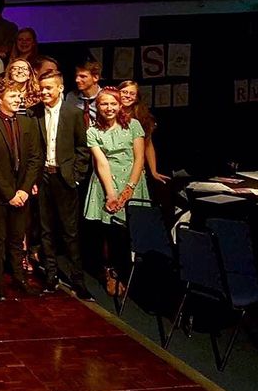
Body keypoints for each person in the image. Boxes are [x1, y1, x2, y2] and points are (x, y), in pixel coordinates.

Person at [30, 70, 92, 298]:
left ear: (60, 88)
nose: (44, 92)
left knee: (70, 231)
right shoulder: (34, 113)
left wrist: (76, 176)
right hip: (43, 177)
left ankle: (78, 280)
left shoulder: (73, 113)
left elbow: (82, 147)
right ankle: (51, 276)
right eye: (42, 88)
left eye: (49, 88)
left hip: (65, 178)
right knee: (45, 229)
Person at [83, 88, 149, 294]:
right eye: (104, 104)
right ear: (98, 107)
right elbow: (101, 163)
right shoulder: (93, 131)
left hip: (132, 180)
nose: (109, 108)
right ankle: (111, 272)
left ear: (120, 105)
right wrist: (111, 194)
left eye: (113, 103)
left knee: (131, 231)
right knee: (111, 232)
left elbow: (139, 158)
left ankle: (133, 276)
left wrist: (129, 190)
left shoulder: (133, 125)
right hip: (106, 183)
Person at [0, 80, 43, 298]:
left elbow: (35, 158)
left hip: (22, 192)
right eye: (13, 96)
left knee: (17, 239)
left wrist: (24, 189)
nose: (18, 100)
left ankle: (19, 279)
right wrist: (9, 193)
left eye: (19, 96)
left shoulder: (28, 123)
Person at [118, 80, 170, 185]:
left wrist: (153, 171)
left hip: (135, 168)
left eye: (132, 93)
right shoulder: (109, 114)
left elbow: (148, 144)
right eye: (124, 92)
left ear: (137, 98)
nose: (127, 96)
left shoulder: (142, 117)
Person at [65, 60, 103, 127]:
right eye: (77, 76)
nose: (77, 80)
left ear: (95, 78)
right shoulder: (71, 97)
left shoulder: (107, 96)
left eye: (83, 76)